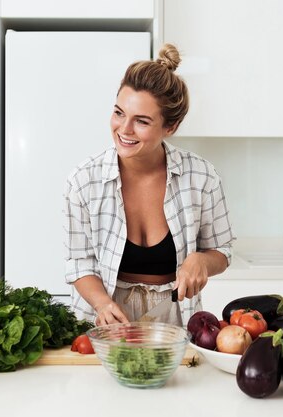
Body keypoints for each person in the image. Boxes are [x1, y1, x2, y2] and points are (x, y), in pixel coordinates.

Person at [63, 44, 235, 326]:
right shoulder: (84, 181)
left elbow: (222, 250)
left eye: (141, 121)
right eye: (119, 113)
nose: (124, 129)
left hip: (175, 319)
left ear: (171, 127)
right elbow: (79, 263)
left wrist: (202, 261)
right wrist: (103, 304)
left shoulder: (201, 177)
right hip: (106, 320)